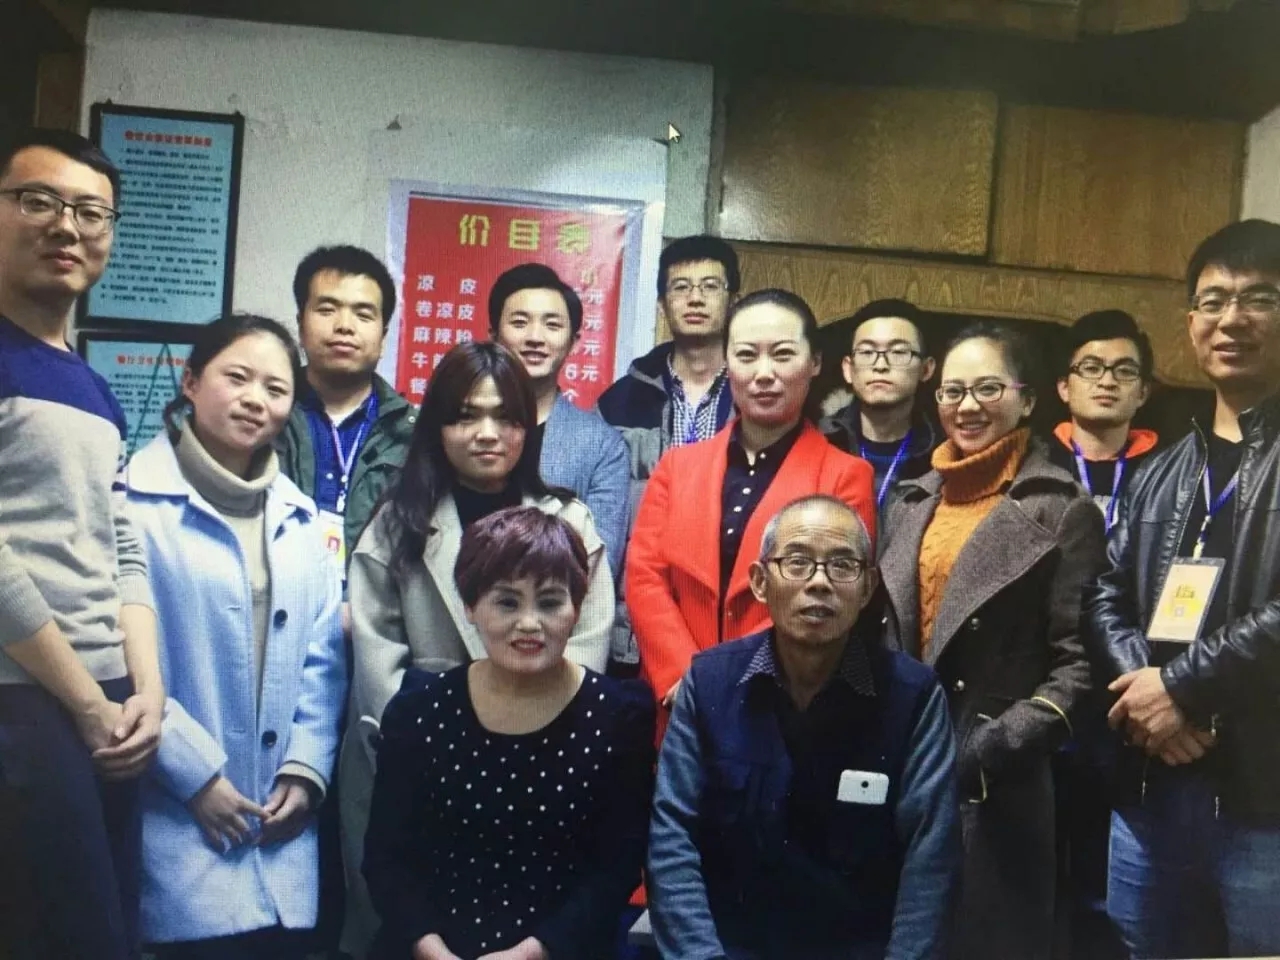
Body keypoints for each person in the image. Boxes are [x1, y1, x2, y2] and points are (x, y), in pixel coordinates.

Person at [340, 341, 614, 957]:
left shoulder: (570, 521)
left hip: (544, 765)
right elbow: (379, 669)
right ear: (437, 426)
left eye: (506, 417)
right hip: (420, 775)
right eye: (465, 415)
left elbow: (586, 649)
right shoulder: (397, 522)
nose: (487, 434)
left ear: (528, 427)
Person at [877, 321, 1105, 960]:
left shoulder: (1062, 508)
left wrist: (993, 745)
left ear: (1027, 400)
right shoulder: (909, 501)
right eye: (953, 391)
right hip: (903, 761)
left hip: (996, 777)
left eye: (988, 388)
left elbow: (1079, 665)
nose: (967, 406)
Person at [1084, 219, 1280, 959]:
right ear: (1191, 321)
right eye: (1214, 300)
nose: (1232, 319)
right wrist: (1149, 699)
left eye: (1259, 298)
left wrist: (1180, 688)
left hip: (1263, 797)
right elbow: (1104, 593)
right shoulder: (1164, 465)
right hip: (1151, 785)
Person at [649, 495, 959, 960]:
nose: (819, 582)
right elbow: (673, 837)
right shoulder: (709, 683)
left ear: (868, 587)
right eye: (797, 562)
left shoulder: (912, 696)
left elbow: (931, 859)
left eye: (842, 565)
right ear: (760, 582)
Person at [124, 314, 347, 959]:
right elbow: (122, 661)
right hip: (174, 815)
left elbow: (324, 661)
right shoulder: (130, 504)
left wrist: (306, 771)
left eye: (276, 389)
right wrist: (196, 778)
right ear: (191, 382)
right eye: (237, 378)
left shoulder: (302, 519)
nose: (256, 400)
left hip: (281, 831)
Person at [0, 128, 162, 960]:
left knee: (112, 932)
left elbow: (122, 546)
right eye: (38, 201)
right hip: (26, 698)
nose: (67, 226)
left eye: (91, 212)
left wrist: (149, 693)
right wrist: (86, 704)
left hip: (111, 706)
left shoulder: (95, 387)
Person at [364, 506, 655, 960]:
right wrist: (432, 950)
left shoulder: (619, 717)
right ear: (470, 606)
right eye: (507, 602)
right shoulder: (418, 710)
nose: (529, 623)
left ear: (577, 609)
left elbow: (614, 868)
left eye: (550, 602)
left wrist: (532, 953)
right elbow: (387, 859)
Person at [628, 289, 875, 716]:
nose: (764, 373)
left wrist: (729, 679)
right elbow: (644, 577)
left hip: (779, 700)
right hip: (678, 702)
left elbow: (833, 593)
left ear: (815, 362)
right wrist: (689, 678)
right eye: (746, 355)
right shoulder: (677, 466)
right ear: (726, 362)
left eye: (782, 355)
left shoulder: (845, 476)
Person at [277, 244, 416, 575]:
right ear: (300, 325)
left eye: (363, 315)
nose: (344, 326)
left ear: (383, 338)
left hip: (372, 604)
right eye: (327, 310)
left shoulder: (413, 433)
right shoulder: (264, 415)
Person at [488, 262, 629, 577]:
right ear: (493, 335)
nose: (535, 337)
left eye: (552, 325)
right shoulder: (457, 429)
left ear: (573, 342)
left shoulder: (603, 447)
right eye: (520, 322)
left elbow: (601, 564)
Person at [597, 236, 740, 502]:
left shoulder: (756, 393)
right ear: (662, 305)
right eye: (681, 287)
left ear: (733, 301)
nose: (695, 298)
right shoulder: (618, 403)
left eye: (710, 286)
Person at [820, 299, 940, 516]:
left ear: (926, 369)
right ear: (848, 369)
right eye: (867, 352)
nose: (881, 365)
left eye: (898, 353)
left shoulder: (943, 451)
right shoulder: (821, 441)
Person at [1050, 309, 1159, 533]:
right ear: (1064, 388)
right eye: (1091, 368)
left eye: (1125, 371)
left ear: (1143, 393)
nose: (1107, 382)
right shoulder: (1036, 461)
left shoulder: (1166, 471)